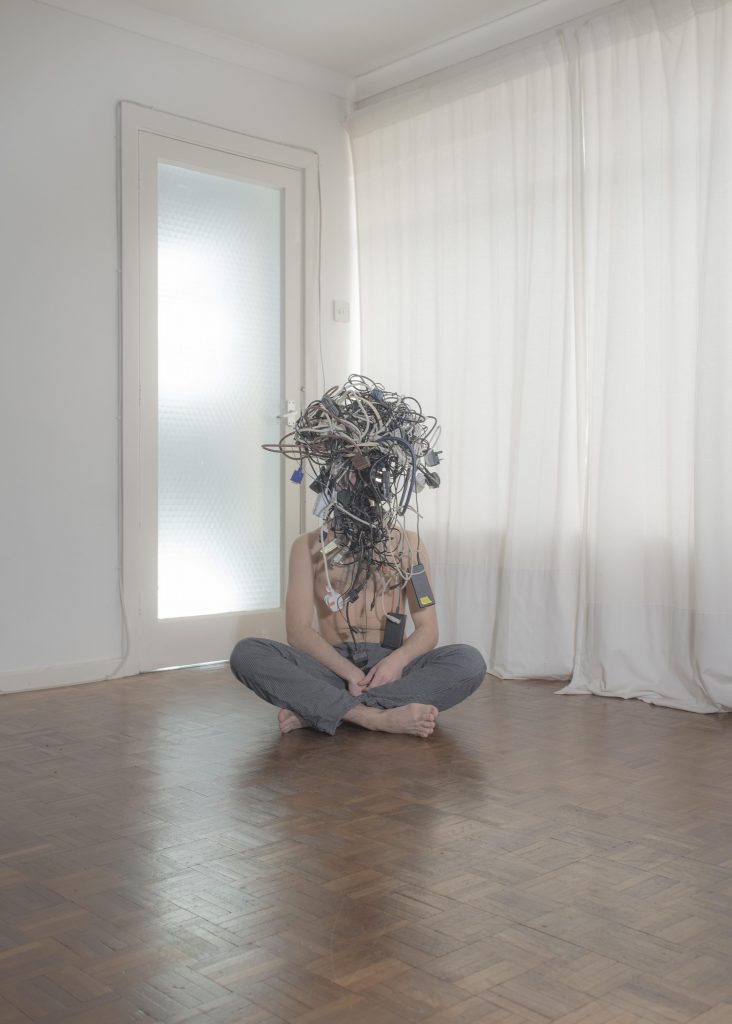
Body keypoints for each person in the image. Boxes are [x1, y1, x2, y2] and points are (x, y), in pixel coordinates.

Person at [230, 528, 486, 738]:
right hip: (332, 668)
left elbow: (428, 629)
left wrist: (396, 662)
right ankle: (374, 717)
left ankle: (323, 709)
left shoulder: (409, 544)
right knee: (247, 653)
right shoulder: (307, 545)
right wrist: (350, 673)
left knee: (469, 660)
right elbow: (298, 632)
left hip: (392, 670)